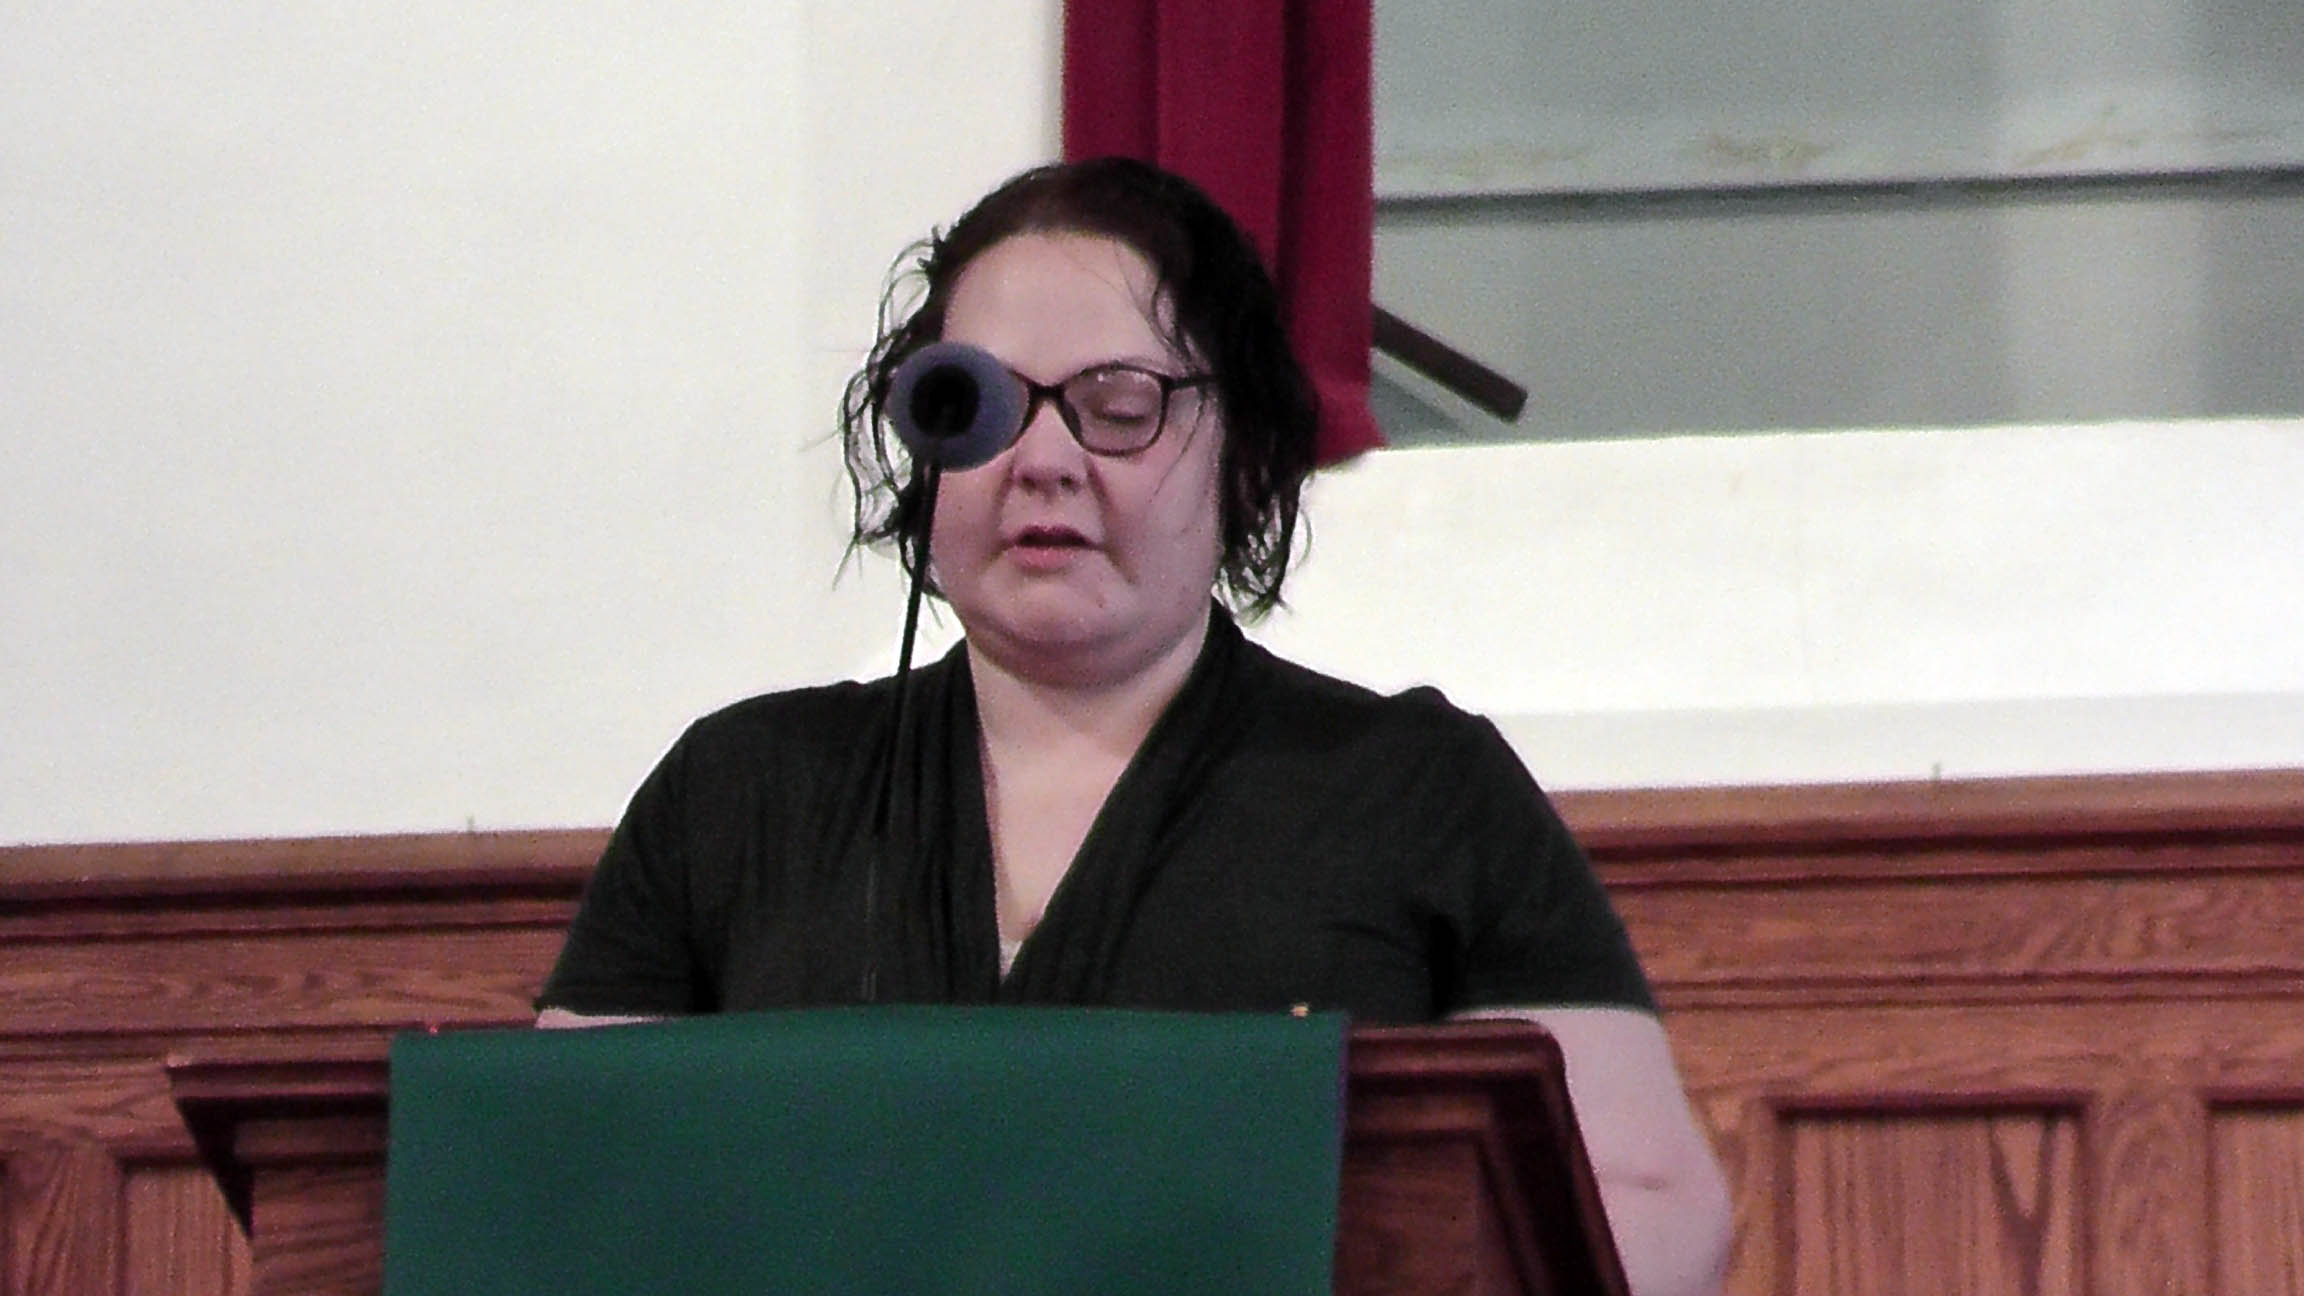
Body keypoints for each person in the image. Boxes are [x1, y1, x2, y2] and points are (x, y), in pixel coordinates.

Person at [535, 158, 1730, 1295]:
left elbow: (1654, 1210)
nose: (1042, 460)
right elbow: (554, 1194)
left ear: (1243, 452)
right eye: (977, 405)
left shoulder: (1417, 787)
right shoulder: (739, 790)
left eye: (1119, 407)